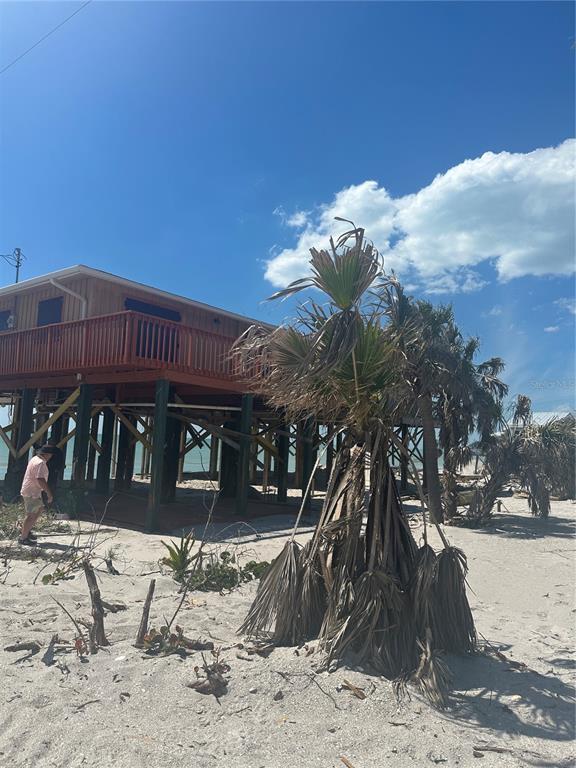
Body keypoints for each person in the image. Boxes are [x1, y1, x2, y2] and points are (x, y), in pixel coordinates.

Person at [18, 445, 54, 546]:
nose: (51, 456)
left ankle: (26, 531)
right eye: (51, 454)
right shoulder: (40, 463)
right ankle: (23, 538)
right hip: (32, 492)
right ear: (47, 454)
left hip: (32, 490)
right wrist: (49, 493)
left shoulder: (35, 458)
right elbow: (40, 479)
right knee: (31, 515)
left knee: (39, 509)